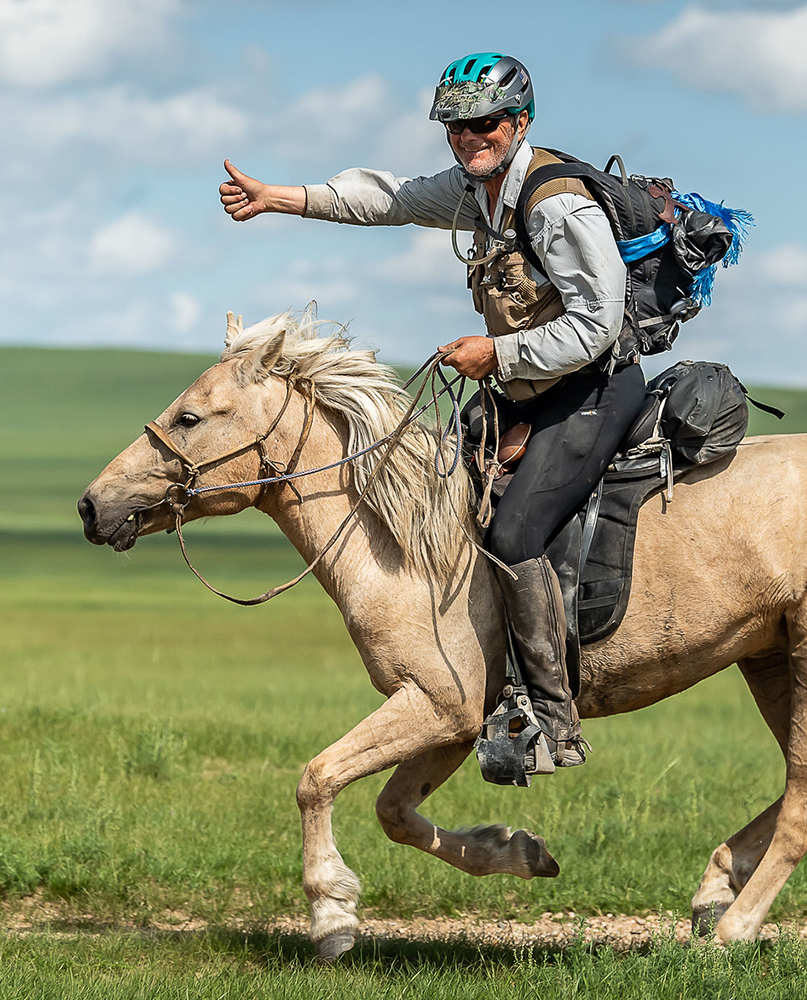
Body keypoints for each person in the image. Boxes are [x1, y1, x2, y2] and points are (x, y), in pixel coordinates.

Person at [220, 53, 648, 772]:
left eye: (484, 123)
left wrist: (497, 355)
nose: (469, 137)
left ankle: (550, 719)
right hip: (527, 391)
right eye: (456, 126)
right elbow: (389, 198)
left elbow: (597, 324)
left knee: (514, 534)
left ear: (519, 121)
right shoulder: (474, 188)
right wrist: (281, 197)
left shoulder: (554, 205)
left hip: (594, 389)